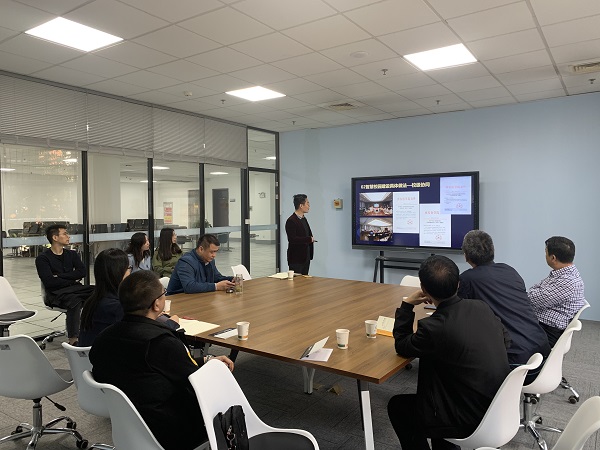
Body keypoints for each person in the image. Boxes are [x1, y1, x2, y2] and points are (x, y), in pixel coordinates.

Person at [90, 270, 234, 450]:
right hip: (170, 430)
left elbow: (154, 368)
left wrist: (205, 360)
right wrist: (213, 369)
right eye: (163, 294)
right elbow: (196, 383)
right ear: (157, 304)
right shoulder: (161, 342)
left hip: (127, 424)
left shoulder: (103, 338)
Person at [387, 255, 510, 450]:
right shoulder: (481, 307)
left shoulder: (433, 327)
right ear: (458, 283)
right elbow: (506, 341)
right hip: (498, 405)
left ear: (424, 289)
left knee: (398, 407)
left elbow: (402, 345)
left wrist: (407, 305)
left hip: (467, 418)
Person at [459, 230, 550, 367]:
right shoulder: (509, 270)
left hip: (516, 362)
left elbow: (457, 314)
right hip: (543, 351)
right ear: (493, 250)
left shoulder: (467, 279)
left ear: (466, 255)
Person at [35, 224, 94, 345]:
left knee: (98, 292)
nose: (68, 236)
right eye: (65, 234)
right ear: (55, 237)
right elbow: (50, 282)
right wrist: (72, 278)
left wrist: (60, 276)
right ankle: (73, 339)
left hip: (74, 289)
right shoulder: (43, 258)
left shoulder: (71, 254)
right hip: (55, 294)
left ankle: (94, 330)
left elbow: (82, 272)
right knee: (75, 301)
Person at [528, 236, 586, 347]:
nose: (545, 255)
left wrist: (534, 292)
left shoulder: (568, 281)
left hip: (547, 332)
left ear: (553, 258)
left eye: (546, 252)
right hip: (543, 324)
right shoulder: (562, 273)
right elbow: (535, 291)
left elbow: (532, 299)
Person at [79, 249, 130, 346]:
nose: (130, 272)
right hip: (106, 354)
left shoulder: (91, 301)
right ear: (118, 272)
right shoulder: (117, 307)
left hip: (89, 354)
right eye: (128, 268)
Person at [167, 234, 234, 295]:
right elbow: (189, 286)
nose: (214, 255)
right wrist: (216, 286)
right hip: (177, 300)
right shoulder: (186, 262)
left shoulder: (210, 260)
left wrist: (232, 280)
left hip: (199, 297)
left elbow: (216, 278)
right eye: (211, 252)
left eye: (215, 252)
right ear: (201, 249)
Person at [285, 194, 314, 275]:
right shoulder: (291, 220)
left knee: (305, 280)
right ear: (301, 205)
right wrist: (309, 239)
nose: (309, 206)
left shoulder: (303, 218)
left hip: (305, 256)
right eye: (307, 203)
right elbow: (292, 239)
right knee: (297, 281)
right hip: (296, 258)